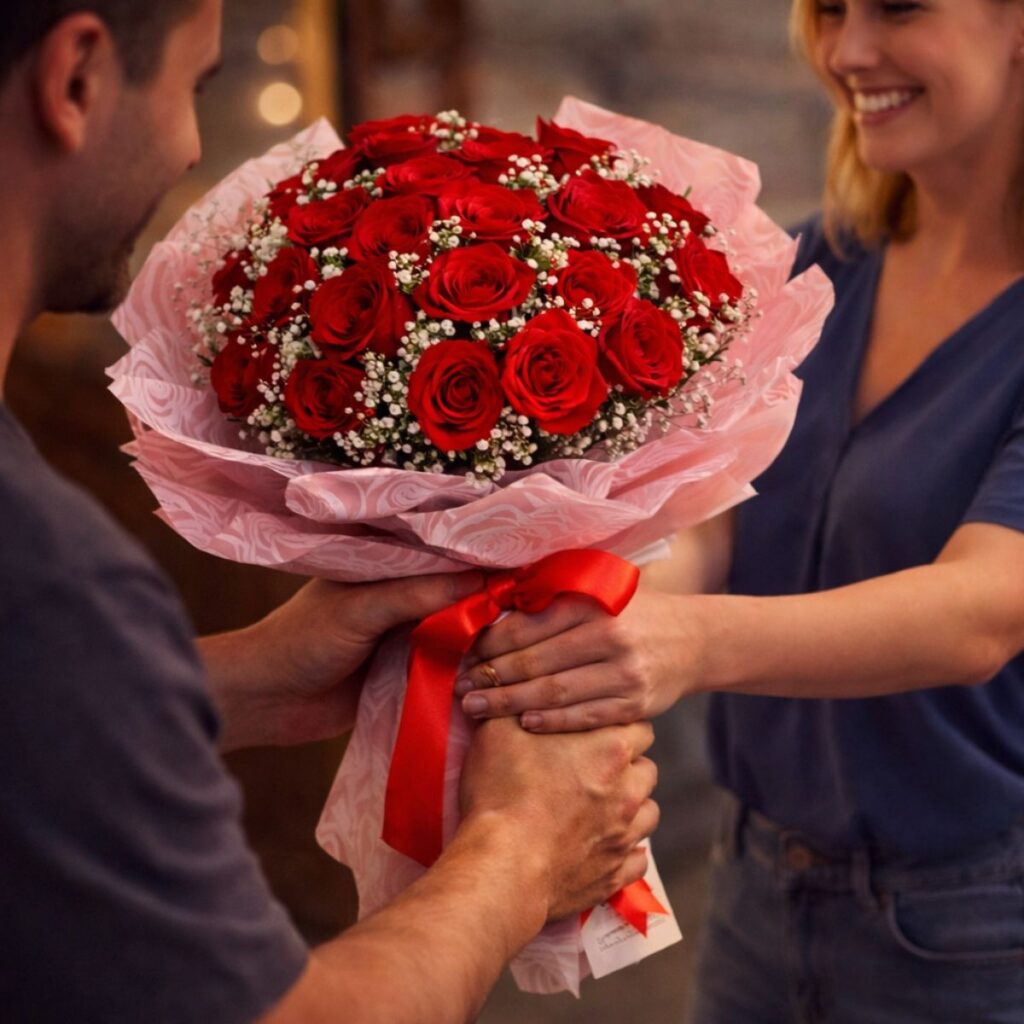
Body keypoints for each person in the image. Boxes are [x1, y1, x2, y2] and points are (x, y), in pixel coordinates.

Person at [0, 2, 662, 1022]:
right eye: (194, 85)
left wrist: (250, 677)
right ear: (76, 77)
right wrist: (524, 845)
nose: (187, 148)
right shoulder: (50, 581)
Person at [457, 0, 1024, 1020]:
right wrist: (604, 616)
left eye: (896, 7)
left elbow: (985, 606)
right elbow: (716, 514)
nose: (847, 52)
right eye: (829, 11)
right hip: (755, 882)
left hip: (977, 924)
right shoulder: (819, 263)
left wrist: (684, 642)